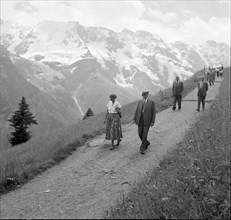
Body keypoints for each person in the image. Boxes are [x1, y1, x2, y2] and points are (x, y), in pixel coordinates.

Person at [133, 90, 156, 154]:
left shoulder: (152, 102)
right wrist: (134, 118)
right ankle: (146, 142)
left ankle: (142, 148)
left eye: (145, 95)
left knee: (144, 134)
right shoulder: (140, 102)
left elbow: (153, 112)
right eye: (142, 95)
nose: (143, 96)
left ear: (147, 95)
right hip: (140, 121)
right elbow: (137, 110)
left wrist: (152, 121)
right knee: (140, 133)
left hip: (147, 121)